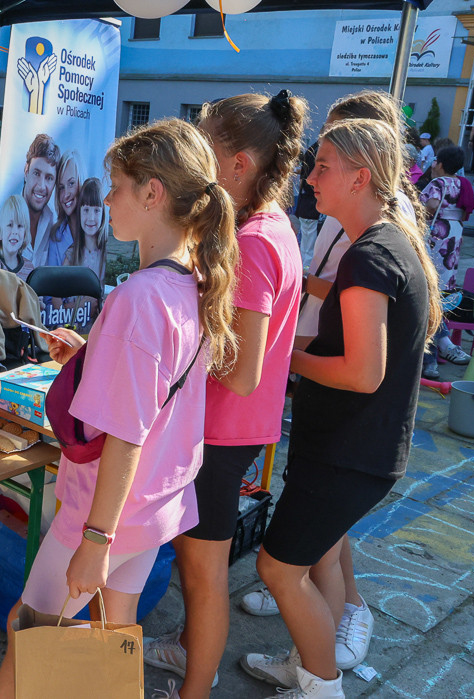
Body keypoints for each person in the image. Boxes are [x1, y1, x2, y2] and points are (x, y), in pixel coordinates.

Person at [0, 118, 240, 699]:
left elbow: (127, 433)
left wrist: (95, 541)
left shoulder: (137, 296)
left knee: (28, 638)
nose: (108, 198)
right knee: (112, 639)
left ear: (154, 193)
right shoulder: (194, 282)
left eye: (118, 185)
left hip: (105, 513)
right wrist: (93, 351)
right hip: (154, 506)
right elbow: (154, 390)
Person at [243, 118, 440, 698]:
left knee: (277, 569)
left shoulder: (370, 257)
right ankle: (312, 663)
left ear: (360, 177)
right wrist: (294, 346)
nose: (310, 175)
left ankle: (321, 685)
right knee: (313, 562)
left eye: (322, 166)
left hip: (349, 453)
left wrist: (284, 360)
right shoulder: (381, 245)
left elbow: (361, 371)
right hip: (352, 450)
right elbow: (349, 349)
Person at [143, 90, 306, 699]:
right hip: (227, 430)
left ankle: (194, 688)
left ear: (238, 164)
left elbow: (241, 371)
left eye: (205, 145)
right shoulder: (264, 226)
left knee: (203, 575)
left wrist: (170, 362)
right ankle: (189, 651)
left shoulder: (257, 243)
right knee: (200, 573)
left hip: (222, 431)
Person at [420, 145, 474, 379]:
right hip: (454, 235)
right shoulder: (463, 184)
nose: (433, 165)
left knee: (428, 294)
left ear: (440, 163)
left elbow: (431, 205)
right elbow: (464, 211)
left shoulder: (437, 184)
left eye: (435, 161)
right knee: (440, 294)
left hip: (437, 238)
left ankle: (430, 359)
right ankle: (444, 345)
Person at [20, 134, 60, 268]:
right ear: (26, 171)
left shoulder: (54, 224)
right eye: (36, 173)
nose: (41, 186)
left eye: (49, 178)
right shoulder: (1, 218)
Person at [63, 177, 108, 285]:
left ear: (103, 214)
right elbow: (55, 295)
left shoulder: (107, 254)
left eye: (96, 210)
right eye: (86, 210)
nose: (91, 218)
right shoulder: (72, 254)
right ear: (79, 212)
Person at [45, 151, 81, 267]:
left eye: (71, 183)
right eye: (61, 187)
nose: (66, 195)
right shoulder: (55, 236)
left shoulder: (96, 229)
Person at [0, 195, 34, 279]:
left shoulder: (29, 269)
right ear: (0, 233)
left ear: (25, 234)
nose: (15, 232)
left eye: (20, 226)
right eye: (10, 225)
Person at [295, 141, 321, 269]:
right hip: (311, 204)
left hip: (305, 202)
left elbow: (302, 179)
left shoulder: (311, 149)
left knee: (306, 243)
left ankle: (303, 268)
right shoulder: (317, 151)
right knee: (310, 244)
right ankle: (306, 270)